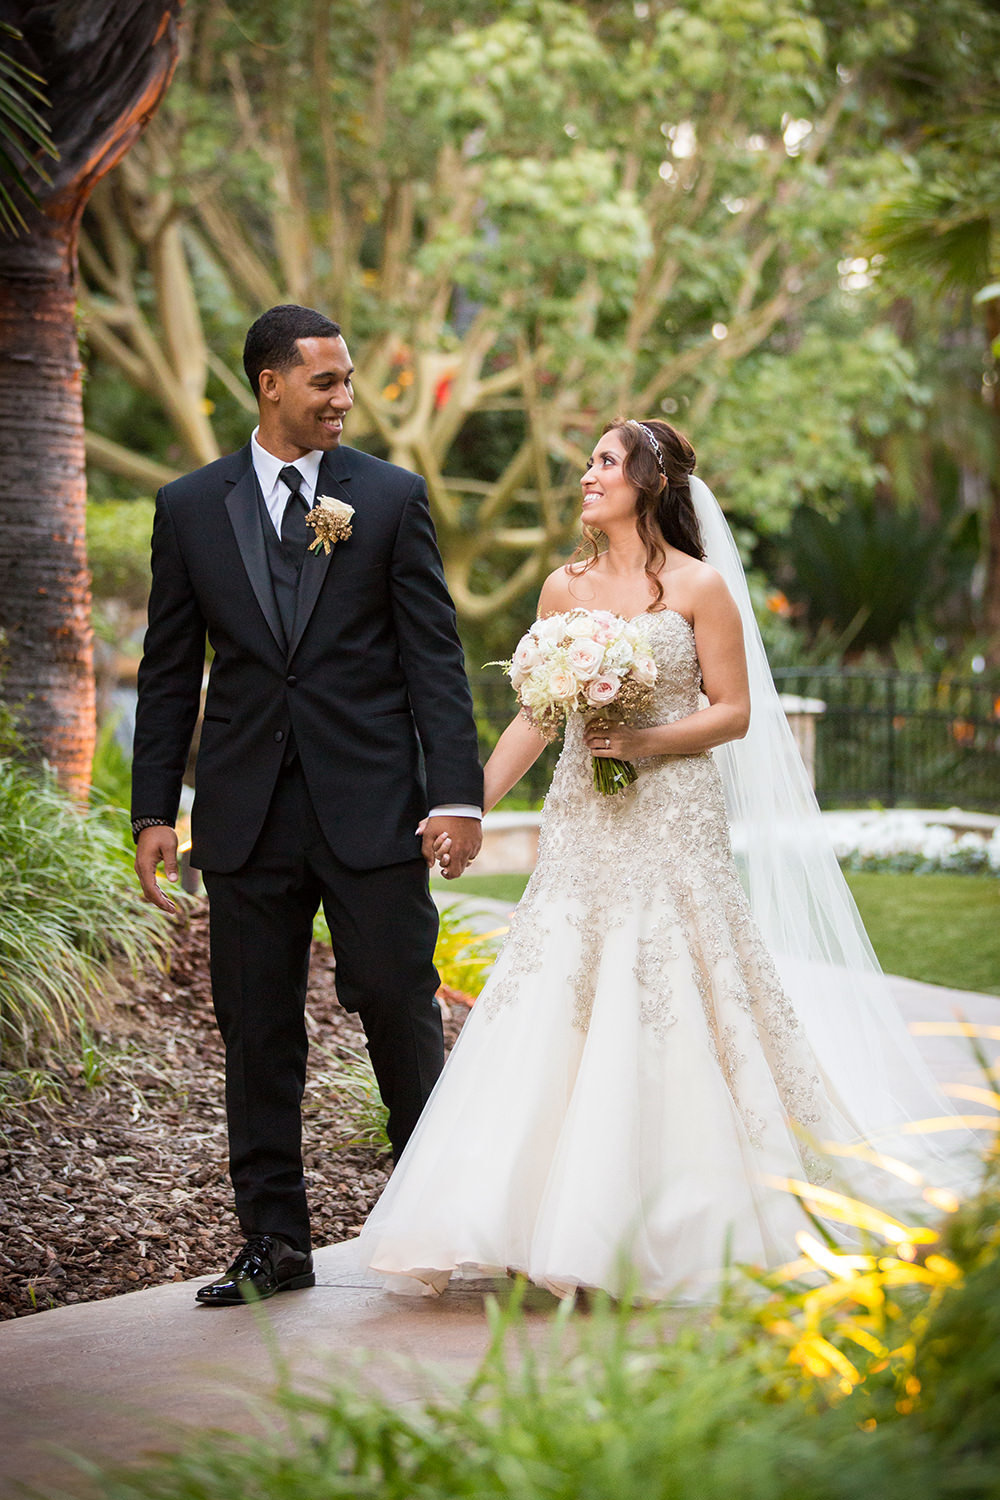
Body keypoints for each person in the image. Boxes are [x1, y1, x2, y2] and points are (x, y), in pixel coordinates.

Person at [352, 417, 977, 1301]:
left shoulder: (699, 587)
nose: (587, 475)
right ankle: (525, 1221)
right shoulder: (561, 591)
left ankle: (680, 1221)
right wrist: (467, 809)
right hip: (583, 828)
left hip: (671, 820)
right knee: (554, 991)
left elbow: (734, 712)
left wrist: (644, 742)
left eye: (605, 462)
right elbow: (535, 718)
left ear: (648, 480)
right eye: (589, 462)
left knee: (678, 990)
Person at [130, 304, 483, 1306]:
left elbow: (433, 663)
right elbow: (168, 673)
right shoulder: (191, 507)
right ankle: (274, 1245)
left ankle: (436, 1222)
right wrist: (154, 808)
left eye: (347, 379)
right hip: (244, 817)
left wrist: (453, 793)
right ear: (269, 384)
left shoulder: (389, 496)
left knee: (398, 1009)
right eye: (324, 381)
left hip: (371, 808)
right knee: (257, 1029)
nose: (344, 398)